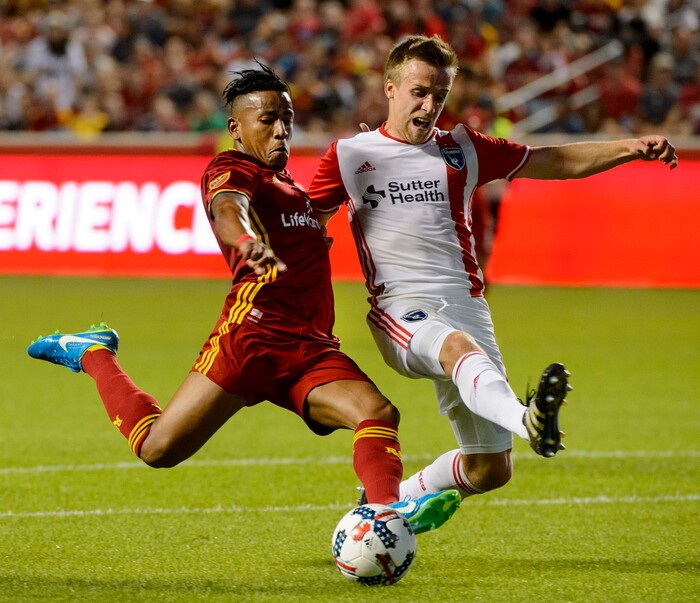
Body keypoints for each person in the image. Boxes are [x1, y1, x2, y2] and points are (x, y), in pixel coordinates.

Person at [27, 64, 460, 534]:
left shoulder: (291, 188)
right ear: (236, 127)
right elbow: (227, 207)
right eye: (268, 120)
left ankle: (384, 513)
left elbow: (323, 215)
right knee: (156, 449)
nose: (281, 131)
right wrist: (246, 241)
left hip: (310, 348)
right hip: (250, 341)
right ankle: (92, 352)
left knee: (377, 413)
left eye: (288, 120)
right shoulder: (232, 168)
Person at [307, 35, 678, 505]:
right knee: (456, 348)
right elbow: (306, 226)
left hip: (467, 306)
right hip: (401, 309)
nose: (429, 105)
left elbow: (552, 160)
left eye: (439, 95)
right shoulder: (349, 156)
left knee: (488, 469)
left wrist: (630, 147)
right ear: (390, 89)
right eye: (419, 92)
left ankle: (386, 499)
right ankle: (528, 420)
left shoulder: (463, 149)